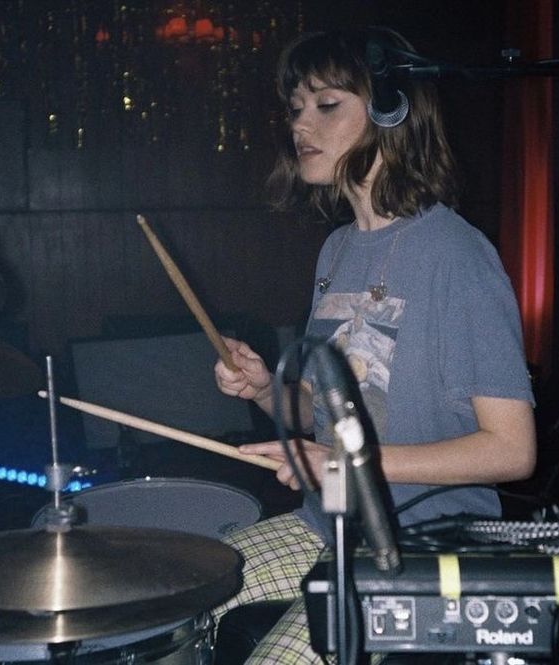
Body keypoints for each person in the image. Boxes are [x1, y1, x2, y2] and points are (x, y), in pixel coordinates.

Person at [211, 27, 536, 664]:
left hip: (423, 541)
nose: (301, 123)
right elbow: (325, 414)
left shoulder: (457, 256)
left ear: (390, 113)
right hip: (326, 520)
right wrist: (265, 390)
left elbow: (512, 449)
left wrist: (351, 467)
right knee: (174, 588)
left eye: (325, 105)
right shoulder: (337, 250)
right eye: (295, 108)